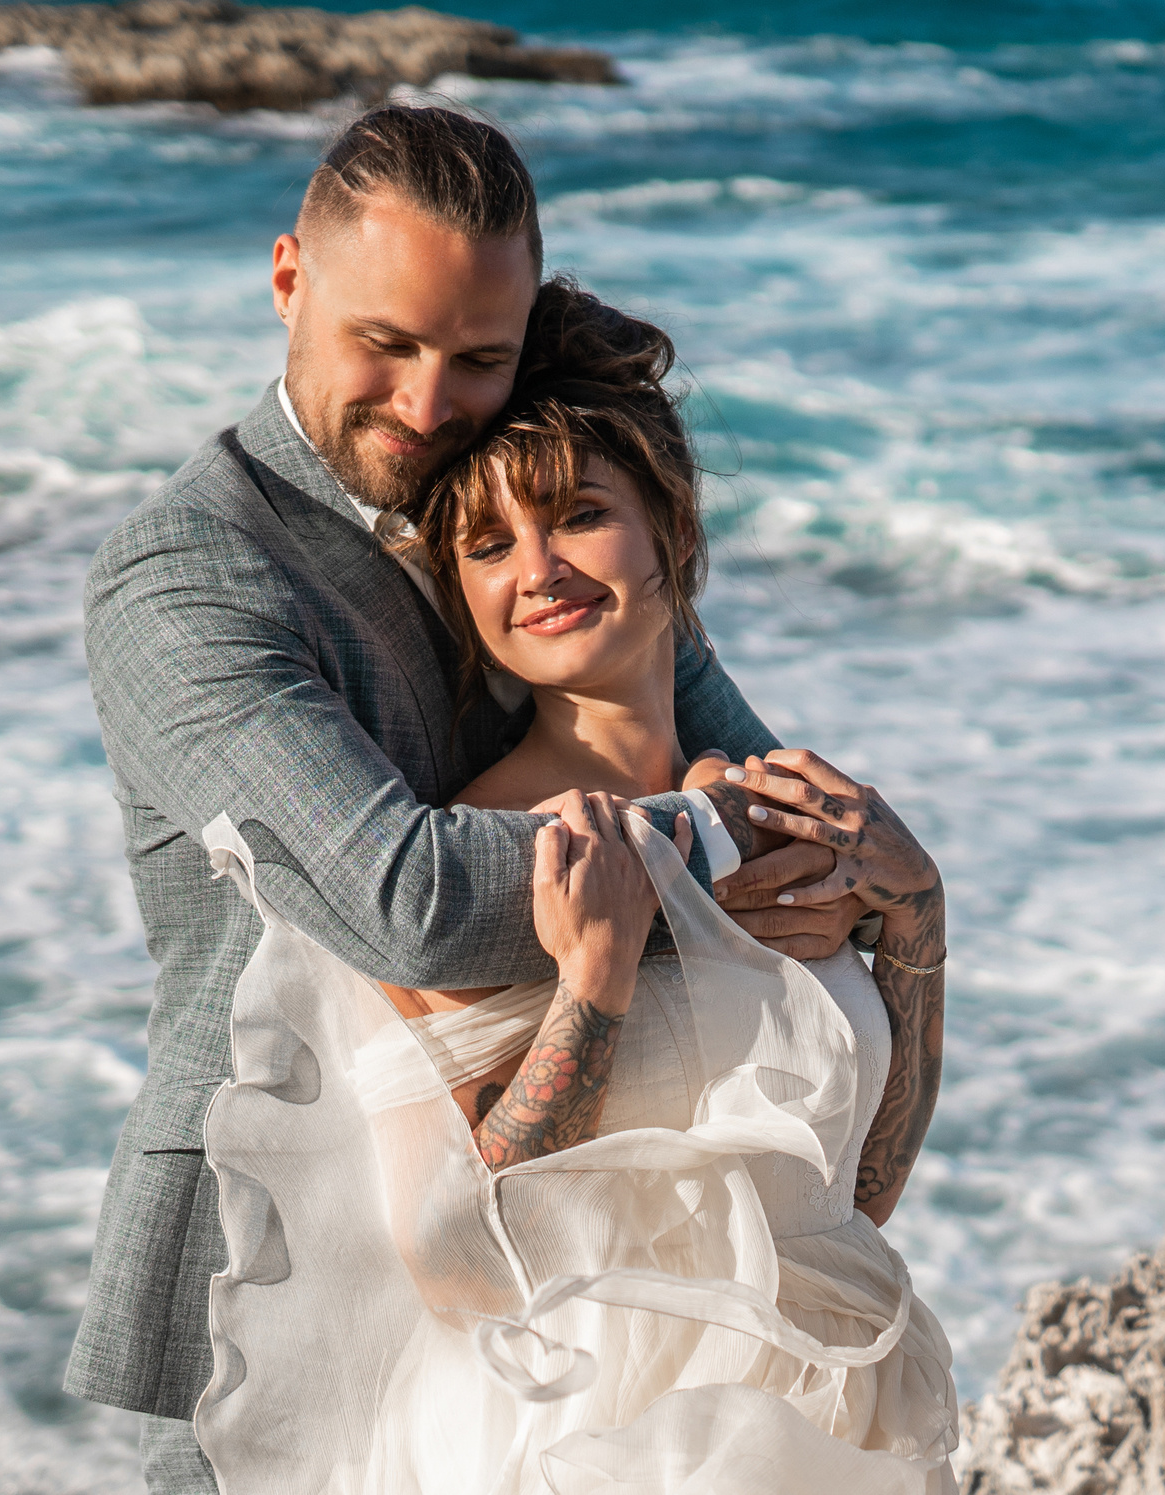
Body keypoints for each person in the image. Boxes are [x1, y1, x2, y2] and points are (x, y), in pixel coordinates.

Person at [69, 105, 879, 1493]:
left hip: (577, 1286)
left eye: (479, 357)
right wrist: (720, 834)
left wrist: (883, 887)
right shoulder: (189, 577)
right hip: (274, 1282)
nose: (430, 403)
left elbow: (766, 799)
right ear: (288, 279)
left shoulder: (526, 516)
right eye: (384, 343)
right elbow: (413, 900)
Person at [189, 280, 956, 1492]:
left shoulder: (771, 820)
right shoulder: (474, 854)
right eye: (489, 546)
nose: (538, 569)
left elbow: (852, 1197)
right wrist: (591, 989)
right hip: (579, 1444)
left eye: (580, 516)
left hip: (815, 1427)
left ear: (673, 535)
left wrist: (917, 922)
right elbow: (453, 1262)